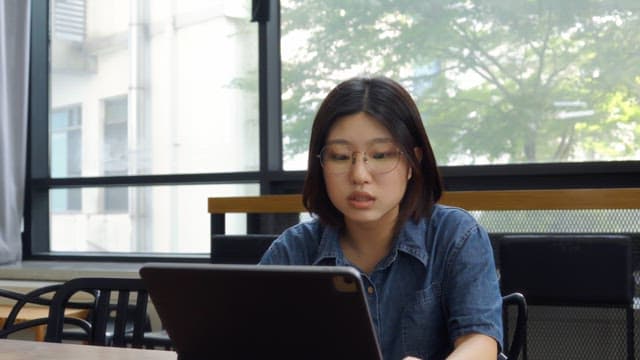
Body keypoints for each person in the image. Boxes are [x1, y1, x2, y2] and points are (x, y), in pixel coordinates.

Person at [259, 77, 503, 360]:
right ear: (321, 164)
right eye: (340, 156)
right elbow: (247, 337)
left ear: (413, 163)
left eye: (380, 155)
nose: (359, 175)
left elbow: (481, 343)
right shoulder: (293, 251)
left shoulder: (455, 236)